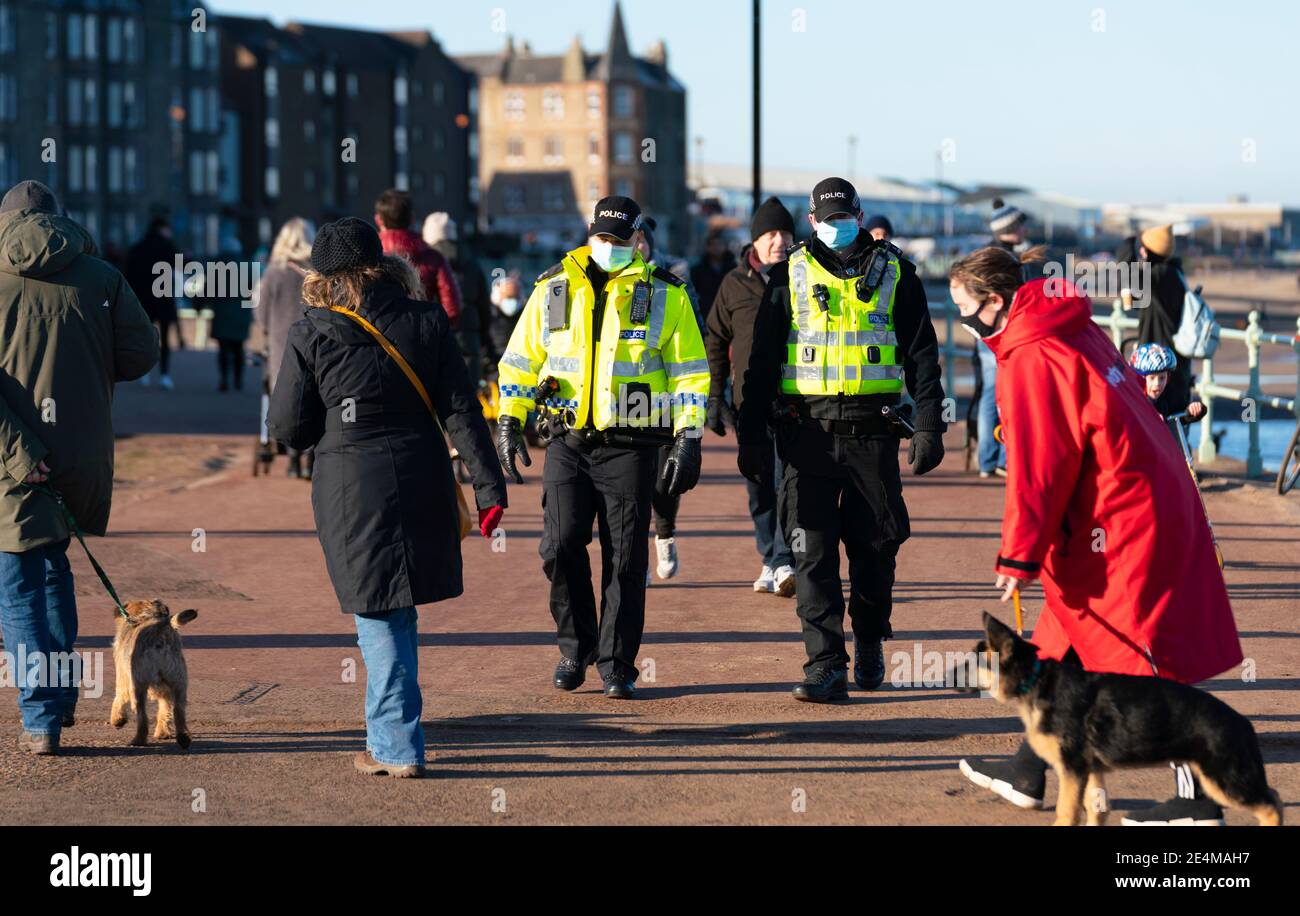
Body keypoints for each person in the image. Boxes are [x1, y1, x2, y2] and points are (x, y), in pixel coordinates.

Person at [949, 246, 1243, 826]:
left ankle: (1198, 800)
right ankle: (1030, 769)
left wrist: (1018, 553)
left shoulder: (1029, 356)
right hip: (1138, 499)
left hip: (1120, 521)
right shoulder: (1072, 326)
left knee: (1144, 658)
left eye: (963, 306)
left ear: (994, 301)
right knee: (1062, 643)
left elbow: (1042, 464)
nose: (960, 318)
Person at [267, 218, 506, 778]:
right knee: (394, 608)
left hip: (351, 489)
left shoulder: (312, 332)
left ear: (321, 276)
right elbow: (462, 410)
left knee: (378, 611)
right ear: (384, 265)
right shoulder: (426, 321)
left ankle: (396, 745)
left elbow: (287, 428)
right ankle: (389, 736)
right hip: (421, 475)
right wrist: (489, 485)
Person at [738, 177, 947, 702]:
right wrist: (752, 436)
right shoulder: (788, 276)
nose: (836, 227)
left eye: (844, 217)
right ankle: (825, 663)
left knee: (876, 549)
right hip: (805, 433)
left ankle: (871, 636)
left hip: (873, 434)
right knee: (810, 551)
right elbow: (761, 363)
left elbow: (923, 355)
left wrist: (928, 423)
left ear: (859, 214)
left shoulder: (897, 273)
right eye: (826, 219)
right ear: (812, 222)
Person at [495, 196, 708, 699]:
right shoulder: (554, 287)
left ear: (638, 239)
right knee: (560, 545)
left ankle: (618, 664)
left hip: (632, 444)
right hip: (568, 440)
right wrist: (509, 418)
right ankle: (576, 646)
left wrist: (688, 436)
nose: (607, 246)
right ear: (589, 234)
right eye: (600, 237)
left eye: (617, 238)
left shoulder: (665, 294)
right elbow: (522, 359)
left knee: (626, 559)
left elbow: (690, 373)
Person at [0, 180, 159, 754]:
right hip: (81, 453)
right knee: (52, 572)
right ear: (58, 219)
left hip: (12, 463)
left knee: (18, 587)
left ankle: (41, 718)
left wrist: (21, 451)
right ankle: (59, 700)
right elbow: (141, 354)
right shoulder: (101, 277)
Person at [706, 196, 797, 596]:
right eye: (770, 233)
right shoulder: (733, 282)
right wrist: (714, 396)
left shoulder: (804, 276)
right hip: (748, 402)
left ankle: (783, 560)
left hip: (795, 400)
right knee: (758, 482)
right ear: (755, 241)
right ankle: (769, 557)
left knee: (788, 481)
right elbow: (715, 340)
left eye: (785, 232)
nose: (778, 240)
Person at [636, 215, 699, 581]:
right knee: (631, 483)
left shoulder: (674, 277)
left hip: (665, 396)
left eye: (644, 239)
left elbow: (695, 325)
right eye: (634, 238)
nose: (638, 245)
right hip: (622, 399)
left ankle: (665, 533)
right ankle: (636, 555)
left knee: (663, 481)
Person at [256, 217, 317, 478]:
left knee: (290, 405)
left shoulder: (273, 273)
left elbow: (261, 315)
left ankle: (292, 460)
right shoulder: (317, 272)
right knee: (317, 403)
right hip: (316, 347)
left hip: (282, 350)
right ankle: (311, 462)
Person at [1120, 224, 1194, 414]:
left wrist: (1127, 244)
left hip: (1163, 367)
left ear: (1150, 251)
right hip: (1172, 368)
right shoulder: (1174, 273)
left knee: (1165, 428)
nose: (1141, 253)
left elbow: (1128, 274)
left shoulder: (1160, 275)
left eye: (1143, 249)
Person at [373, 189, 462, 325]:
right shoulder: (434, 257)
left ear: (378, 220)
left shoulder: (370, 257)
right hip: (422, 334)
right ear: (412, 218)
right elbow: (452, 308)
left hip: (378, 336)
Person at [424, 212, 490, 386]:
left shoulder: (426, 266)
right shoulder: (472, 265)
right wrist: (482, 340)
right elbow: (484, 308)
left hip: (434, 342)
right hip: (469, 340)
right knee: (468, 400)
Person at [125, 215, 183, 390]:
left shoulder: (137, 249)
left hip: (143, 300)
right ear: (162, 229)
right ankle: (165, 375)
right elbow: (179, 271)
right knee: (165, 339)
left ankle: (144, 374)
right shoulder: (169, 248)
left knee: (145, 338)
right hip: (163, 299)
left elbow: (129, 276)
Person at [209, 246, 253, 393]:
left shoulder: (216, 267)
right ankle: (238, 380)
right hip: (241, 316)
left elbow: (207, 290)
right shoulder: (246, 267)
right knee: (239, 349)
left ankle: (224, 379)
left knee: (223, 349)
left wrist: (199, 306)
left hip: (222, 314)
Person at [689, 229, 737, 320]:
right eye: (713, 245)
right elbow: (693, 292)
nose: (716, 248)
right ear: (707, 247)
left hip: (728, 312)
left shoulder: (733, 268)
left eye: (719, 244)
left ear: (725, 247)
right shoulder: (698, 269)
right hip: (706, 313)